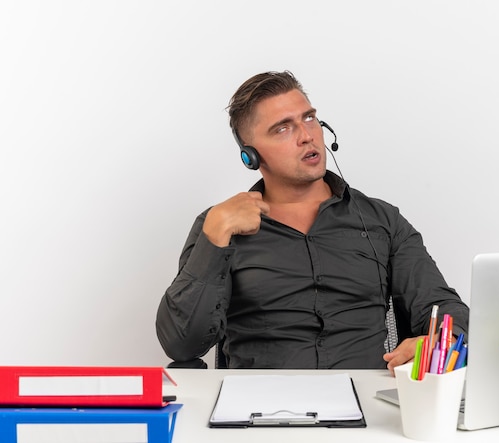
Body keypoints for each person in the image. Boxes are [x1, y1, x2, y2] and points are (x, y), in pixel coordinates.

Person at [156, 71, 468, 374]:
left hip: (367, 406)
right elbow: (182, 345)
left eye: (309, 118)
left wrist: (443, 338)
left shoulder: (381, 221)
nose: (307, 136)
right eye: (282, 128)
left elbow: (443, 308)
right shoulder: (219, 225)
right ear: (250, 156)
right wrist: (215, 235)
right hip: (260, 408)